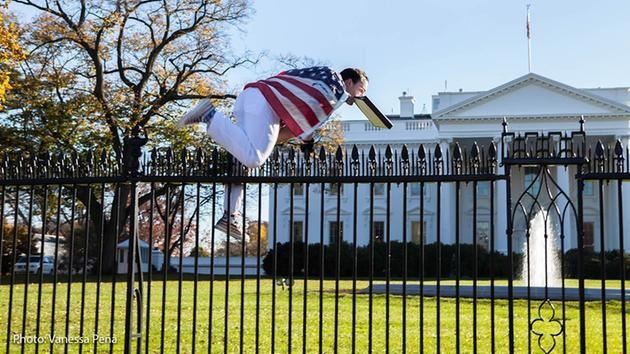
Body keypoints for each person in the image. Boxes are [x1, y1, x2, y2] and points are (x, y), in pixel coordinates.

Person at [178, 67, 369, 238]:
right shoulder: (334, 87)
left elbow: (285, 132)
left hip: (250, 96)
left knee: (243, 158)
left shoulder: (319, 78)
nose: (361, 97)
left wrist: (300, 138)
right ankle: (210, 115)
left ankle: (231, 215)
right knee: (254, 158)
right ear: (349, 82)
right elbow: (307, 127)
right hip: (265, 103)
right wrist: (308, 140)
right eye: (361, 91)